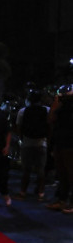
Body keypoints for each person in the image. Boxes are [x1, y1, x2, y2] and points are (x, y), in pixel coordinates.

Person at [15, 90, 49, 200]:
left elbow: (19, 128)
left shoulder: (22, 111)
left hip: (27, 143)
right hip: (42, 143)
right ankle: (41, 194)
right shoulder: (47, 110)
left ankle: (23, 192)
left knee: (26, 170)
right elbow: (50, 126)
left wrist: (22, 139)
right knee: (41, 170)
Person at [46, 84, 73, 213]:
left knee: (69, 174)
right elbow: (51, 121)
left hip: (68, 145)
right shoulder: (61, 110)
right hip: (60, 144)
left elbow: (51, 119)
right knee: (62, 175)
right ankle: (62, 200)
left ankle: (69, 202)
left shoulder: (65, 109)